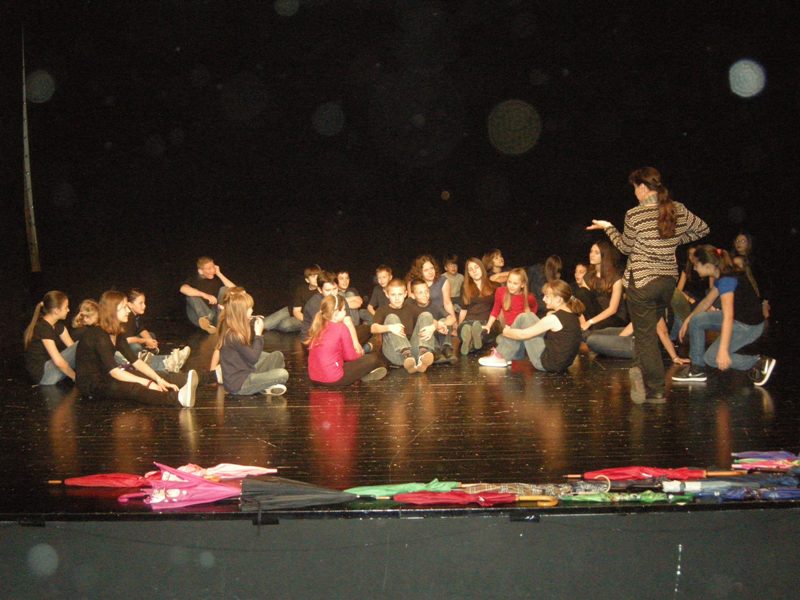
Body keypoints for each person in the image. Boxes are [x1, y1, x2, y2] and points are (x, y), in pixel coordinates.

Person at [588, 167, 709, 403]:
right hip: (667, 282)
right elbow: (703, 229)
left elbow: (625, 247)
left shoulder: (634, 214)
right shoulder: (678, 209)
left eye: (635, 188)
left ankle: (656, 390)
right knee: (647, 331)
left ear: (642, 187)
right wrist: (674, 241)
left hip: (642, 281)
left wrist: (609, 227)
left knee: (645, 338)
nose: (635, 193)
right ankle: (638, 368)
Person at [672, 245, 775, 386]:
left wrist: (723, 351)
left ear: (708, 265)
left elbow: (728, 316)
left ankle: (757, 362)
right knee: (697, 320)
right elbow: (707, 302)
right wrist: (688, 320)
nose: (694, 268)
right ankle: (697, 369)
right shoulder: (722, 274)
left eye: (696, 265)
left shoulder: (728, 280)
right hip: (737, 319)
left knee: (712, 358)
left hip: (748, 327)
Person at [75, 291, 199, 407]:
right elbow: (115, 372)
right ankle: (178, 398)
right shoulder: (98, 335)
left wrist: (158, 379)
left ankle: (198, 377)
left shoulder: (116, 332)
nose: (128, 310)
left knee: (152, 376)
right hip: (92, 385)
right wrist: (147, 383)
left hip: (107, 375)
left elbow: (136, 361)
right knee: (134, 387)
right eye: (124, 307)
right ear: (112, 311)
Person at [478, 279, 584, 373]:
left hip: (546, 363)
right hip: (562, 364)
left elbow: (523, 334)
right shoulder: (572, 315)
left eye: (547, 296)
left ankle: (501, 355)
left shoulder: (554, 319)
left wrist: (507, 332)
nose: (544, 299)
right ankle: (510, 352)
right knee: (528, 316)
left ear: (558, 299)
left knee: (523, 318)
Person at [213, 288, 289, 396]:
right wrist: (258, 334)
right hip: (239, 384)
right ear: (241, 312)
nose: (252, 310)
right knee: (283, 374)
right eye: (249, 309)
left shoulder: (234, 325)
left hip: (248, 371)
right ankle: (263, 385)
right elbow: (253, 358)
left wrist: (250, 321)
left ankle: (263, 385)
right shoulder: (233, 335)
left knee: (278, 355)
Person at [306, 295, 387, 386]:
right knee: (373, 359)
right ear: (336, 313)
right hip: (333, 380)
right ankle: (363, 374)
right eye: (344, 310)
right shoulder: (341, 328)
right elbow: (350, 357)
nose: (345, 312)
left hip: (314, 378)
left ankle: (361, 375)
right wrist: (361, 353)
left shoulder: (319, 325)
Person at [370, 279, 435, 373]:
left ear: (405, 294)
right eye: (393, 295)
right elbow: (373, 328)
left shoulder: (410, 307)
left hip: (413, 354)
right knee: (392, 317)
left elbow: (433, 321)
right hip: (395, 354)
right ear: (387, 295)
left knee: (426, 315)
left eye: (400, 294)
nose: (397, 298)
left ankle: (422, 355)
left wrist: (433, 327)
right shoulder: (382, 310)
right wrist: (390, 328)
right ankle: (406, 354)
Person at [405, 255, 457, 362]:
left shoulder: (442, 281)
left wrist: (452, 325)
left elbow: (447, 303)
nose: (430, 272)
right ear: (420, 272)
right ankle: (436, 351)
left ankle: (446, 348)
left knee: (444, 320)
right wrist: (434, 325)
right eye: (426, 270)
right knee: (427, 320)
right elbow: (413, 307)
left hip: (438, 318)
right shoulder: (414, 284)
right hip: (423, 319)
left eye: (431, 268)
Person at [124, 289, 190, 373]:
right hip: (124, 346)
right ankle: (166, 362)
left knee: (151, 335)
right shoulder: (128, 317)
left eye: (144, 303)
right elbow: (126, 340)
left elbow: (140, 329)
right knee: (136, 347)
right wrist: (145, 341)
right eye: (140, 303)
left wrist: (149, 340)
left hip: (130, 341)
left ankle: (149, 354)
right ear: (130, 304)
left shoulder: (135, 315)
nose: (144, 306)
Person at [24, 291, 77, 385]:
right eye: (66, 307)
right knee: (84, 342)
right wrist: (76, 377)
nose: (68, 310)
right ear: (56, 310)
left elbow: (74, 350)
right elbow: (58, 362)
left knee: (83, 345)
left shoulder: (59, 326)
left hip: (51, 371)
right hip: (44, 375)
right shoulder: (43, 328)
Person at [586, 319, 689, 367]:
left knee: (592, 340)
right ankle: (581, 334)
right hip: (637, 335)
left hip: (639, 345)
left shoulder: (651, 303)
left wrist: (675, 357)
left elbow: (663, 332)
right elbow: (634, 324)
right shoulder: (642, 297)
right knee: (604, 331)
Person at [574, 240, 627, 332]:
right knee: (581, 292)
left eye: (596, 253)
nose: (592, 255)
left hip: (614, 317)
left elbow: (613, 309)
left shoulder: (615, 278)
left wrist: (590, 322)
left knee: (594, 327)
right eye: (591, 251)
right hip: (597, 314)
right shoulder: (588, 276)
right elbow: (581, 302)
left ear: (604, 255)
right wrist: (583, 323)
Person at [179, 256, 236, 334]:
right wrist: (205, 295)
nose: (212, 270)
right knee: (191, 295)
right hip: (198, 317)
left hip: (215, 315)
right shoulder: (194, 279)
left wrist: (219, 274)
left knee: (224, 289)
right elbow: (183, 289)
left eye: (213, 267)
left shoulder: (217, 279)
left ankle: (217, 323)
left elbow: (236, 290)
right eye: (209, 268)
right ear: (201, 271)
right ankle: (206, 322)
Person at [482, 268, 538, 342]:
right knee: (499, 340)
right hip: (509, 329)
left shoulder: (528, 297)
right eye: (509, 282)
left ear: (522, 284)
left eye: (515, 283)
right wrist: (488, 325)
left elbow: (534, 307)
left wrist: (529, 318)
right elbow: (495, 310)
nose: (511, 286)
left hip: (522, 330)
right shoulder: (500, 292)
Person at [458, 258, 498, 355]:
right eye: (471, 269)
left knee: (483, 332)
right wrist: (459, 326)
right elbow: (463, 309)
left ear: (482, 268)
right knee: (464, 329)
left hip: (485, 322)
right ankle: (472, 341)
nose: (474, 271)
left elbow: (497, 309)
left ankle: (470, 342)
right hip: (468, 321)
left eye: (476, 267)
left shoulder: (494, 286)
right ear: (468, 273)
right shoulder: (465, 286)